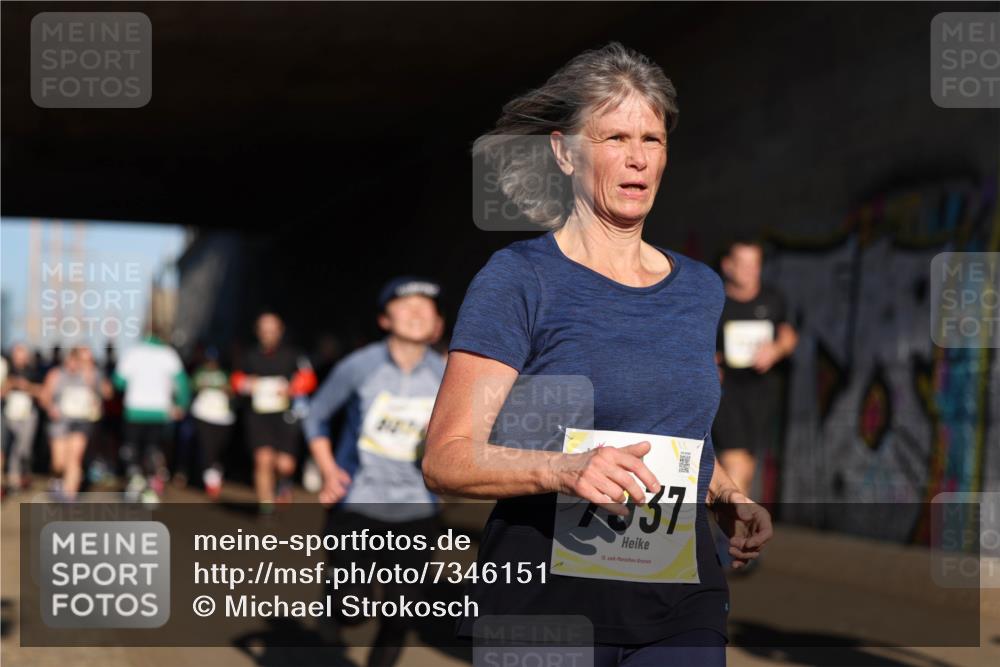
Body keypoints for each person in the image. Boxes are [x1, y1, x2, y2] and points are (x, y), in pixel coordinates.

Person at [422, 43, 773, 666]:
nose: (637, 159)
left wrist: (725, 496)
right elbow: (447, 459)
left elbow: (678, 431)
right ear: (564, 152)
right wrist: (566, 470)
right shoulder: (519, 279)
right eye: (614, 137)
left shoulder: (699, 289)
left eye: (652, 139)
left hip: (678, 604)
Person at [304, 276, 445, 667]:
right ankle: (335, 604)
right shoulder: (359, 366)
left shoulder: (447, 375)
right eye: (406, 303)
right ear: (384, 319)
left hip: (418, 511)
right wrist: (329, 471)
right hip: (359, 505)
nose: (417, 311)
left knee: (402, 614)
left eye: (426, 305)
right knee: (355, 609)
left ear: (437, 324)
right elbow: (315, 415)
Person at [714, 239, 798, 498]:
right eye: (743, 264)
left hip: (761, 397)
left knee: (746, 468)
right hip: (727, 395)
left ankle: (728, 531)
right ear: (728, 266)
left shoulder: (773, 299)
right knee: (736, 466)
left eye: (755, 264)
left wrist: (776, 349)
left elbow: (789, 335)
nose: (750, 271)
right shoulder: (715, 302)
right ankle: (731, 534)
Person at [232, 312, 317, 514]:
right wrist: (247, 385)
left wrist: (292, 388)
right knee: (263, 460)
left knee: (284, 465)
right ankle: (266, 507)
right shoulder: (249, 356)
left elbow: (309, 378)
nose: (268, 334)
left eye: (272, 329)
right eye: (264, 330)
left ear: (280, 331)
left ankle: (283, 484)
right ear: (258, 332)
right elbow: (236, 380)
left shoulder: (294, 355)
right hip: (258, 416)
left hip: (285, 415)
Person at [113, 330, 191, 504]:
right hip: (159, 411)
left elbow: (118, 381)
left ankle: (135, 482)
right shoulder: (168, 354)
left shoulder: (132, 352)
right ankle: (150, 488)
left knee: (131, 448)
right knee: (153, 449)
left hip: (134, 410)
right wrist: (181, 404)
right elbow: (183, 383)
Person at [39, 346, 111, 500]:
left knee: (75, 458)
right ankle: (58, 481)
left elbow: (107, 393)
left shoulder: (90, 375)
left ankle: (68, 496)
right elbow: (44, 396)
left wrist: (91, 376)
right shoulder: (56, 375)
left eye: (79, 360)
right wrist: (51, 407)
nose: (74, 364)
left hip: (81, 421)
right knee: (59, 462)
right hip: (59, 422)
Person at [189, 347, 235, 499]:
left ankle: (215, 474)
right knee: (207, 447)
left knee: (218, 449)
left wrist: (226, 389)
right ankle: (211, 481)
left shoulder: (224, 374)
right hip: (204, 415)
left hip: (222, 417)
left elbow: (232, 390)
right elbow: (193, 386)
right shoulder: (200, 373)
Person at [2, 343, 44, 493]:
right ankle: (14, 480)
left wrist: (26, 386)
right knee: (12, 448)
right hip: (9, 415)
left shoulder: (35, 371)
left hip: (28, 415)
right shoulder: (6, 371)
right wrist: (10, 384)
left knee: (23, 448)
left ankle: (24, 474)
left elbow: (43, 392)